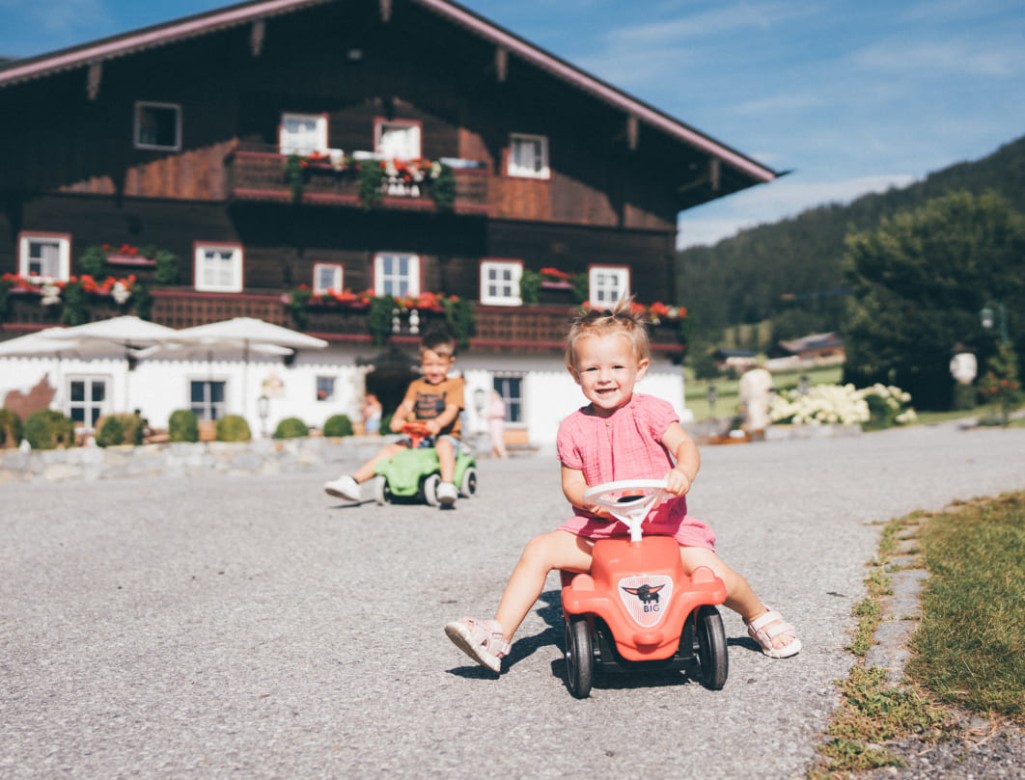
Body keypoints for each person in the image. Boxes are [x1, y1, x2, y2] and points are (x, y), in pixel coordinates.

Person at [445, 302, 800, 672]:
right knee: (539, 549)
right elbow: (573, 482)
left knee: (717, 575)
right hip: (601, 534)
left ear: (639, 369)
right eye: (592, 368)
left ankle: (758, 615)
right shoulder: (573, 428)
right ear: (574, 374)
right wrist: (588, 499)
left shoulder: (651, 411)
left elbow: (685, 446)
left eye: (616, 367)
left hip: (664, 532)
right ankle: (498, 634)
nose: (604, 377)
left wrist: (683, 472)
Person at [324, 327, 465, 506]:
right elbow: (406, 405)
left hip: (445, 435)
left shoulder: (454, 384)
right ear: (421, 362)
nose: (434, 370)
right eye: (429, 365)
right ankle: (352, 482)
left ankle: (446, 485)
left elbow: (452, 409)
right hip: (419, 436)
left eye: (440, 365)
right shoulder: (416, 385)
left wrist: (438, 423)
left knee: (444, 446)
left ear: (450, 363)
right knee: (390, 450)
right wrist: (398, 419)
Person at [486, 389, 508, 459]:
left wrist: (490, 415)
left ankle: (503, 455)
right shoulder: (491, 404)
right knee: (493, 441)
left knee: (498, 440)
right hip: (492, 424)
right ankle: (494, 457)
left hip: (497, 423)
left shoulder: (499, 403)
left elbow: (501, 413)